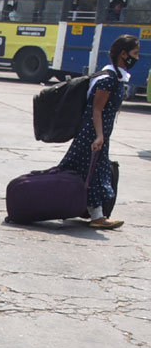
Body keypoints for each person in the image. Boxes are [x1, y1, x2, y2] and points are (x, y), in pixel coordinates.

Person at [59, 34, 140, 229]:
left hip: (97, 133)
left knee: (85, 170)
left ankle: (76, 208)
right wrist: (99, 135)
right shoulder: (108, 79)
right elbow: (97, 109)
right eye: (135, 53)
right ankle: (96, 216)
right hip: (92, 134)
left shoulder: (114, 76)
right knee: (94, 172)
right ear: (123, 54)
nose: (137, 58)